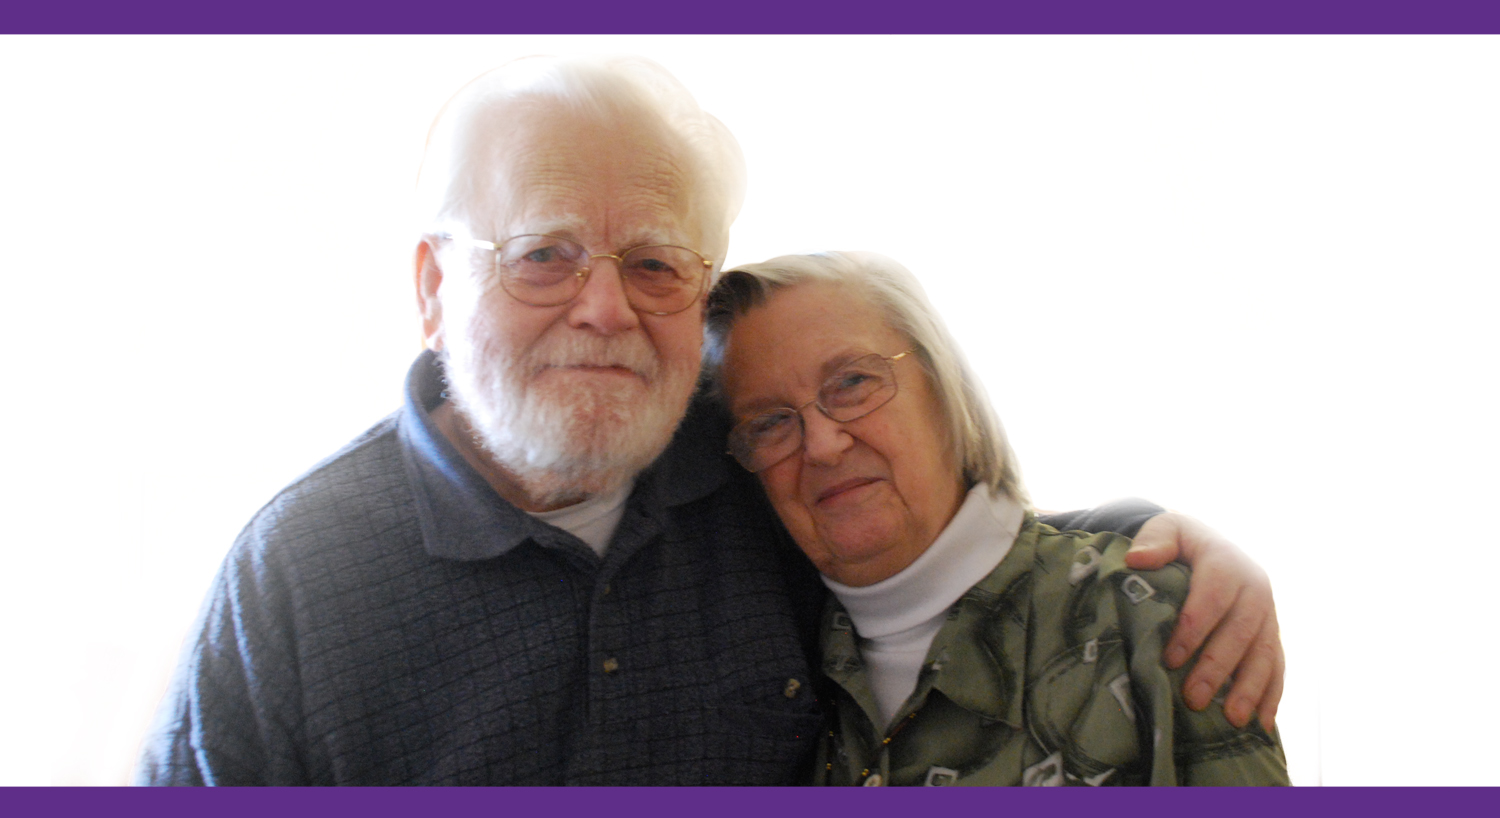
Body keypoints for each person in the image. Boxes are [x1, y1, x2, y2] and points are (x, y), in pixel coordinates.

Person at [136, 56, 1282, 786]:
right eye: (542, 254)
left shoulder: (743, 467)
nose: (604, 308)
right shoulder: (294, 573)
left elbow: (931, 536)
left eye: (654, 262)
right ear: (435, 287)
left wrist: (1156, 538)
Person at [704, 251, 1289, 786]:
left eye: (853, 382)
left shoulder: (1148, 618)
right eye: (770, 423)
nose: (823, 444)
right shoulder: (773, 667)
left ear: (943, 387)